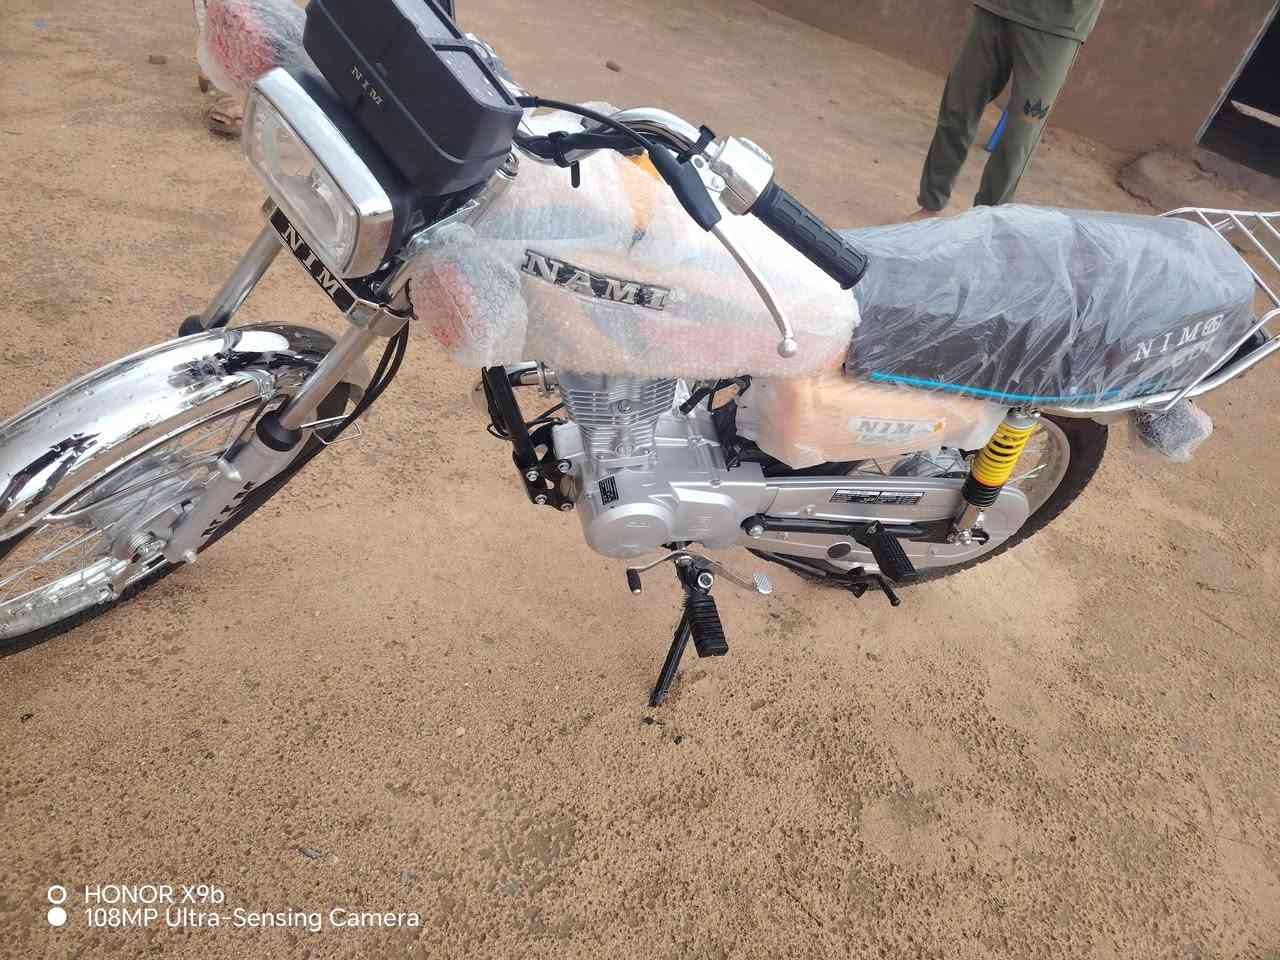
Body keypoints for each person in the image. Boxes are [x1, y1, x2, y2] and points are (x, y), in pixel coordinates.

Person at [912, 0, 1105, 217]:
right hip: (996, 7)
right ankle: (929, 207)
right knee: (958, 108)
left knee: (1019, 136)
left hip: (1059, 22)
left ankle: (985, 225)